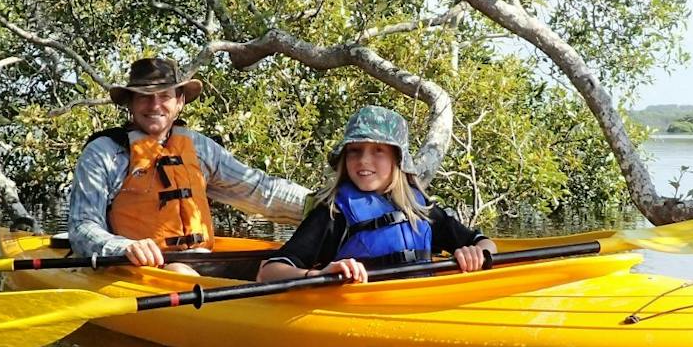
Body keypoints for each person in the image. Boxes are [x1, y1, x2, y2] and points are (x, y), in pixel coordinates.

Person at [68, 57, 310, 270]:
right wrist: (123, 248)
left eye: (164, 96)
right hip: (140, 269)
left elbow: (260, 189)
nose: (155, 105)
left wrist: (323, 204)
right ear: (130, 103)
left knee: (273, 267)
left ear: (180, 102)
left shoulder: (199, 147)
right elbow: (82, 227)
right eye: (144, 97)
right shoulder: (104, 153)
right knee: (181, 272)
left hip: (199, 262)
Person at [257, 105, 496, 284]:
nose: (363, 161)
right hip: (359, 315)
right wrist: (318, 275)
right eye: (355, 151)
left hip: (419, 306)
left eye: (378, 150)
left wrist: (476, 252)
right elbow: (269, 272)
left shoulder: (419, 210)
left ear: (397, 159)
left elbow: (487, 244)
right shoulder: (334, 213)